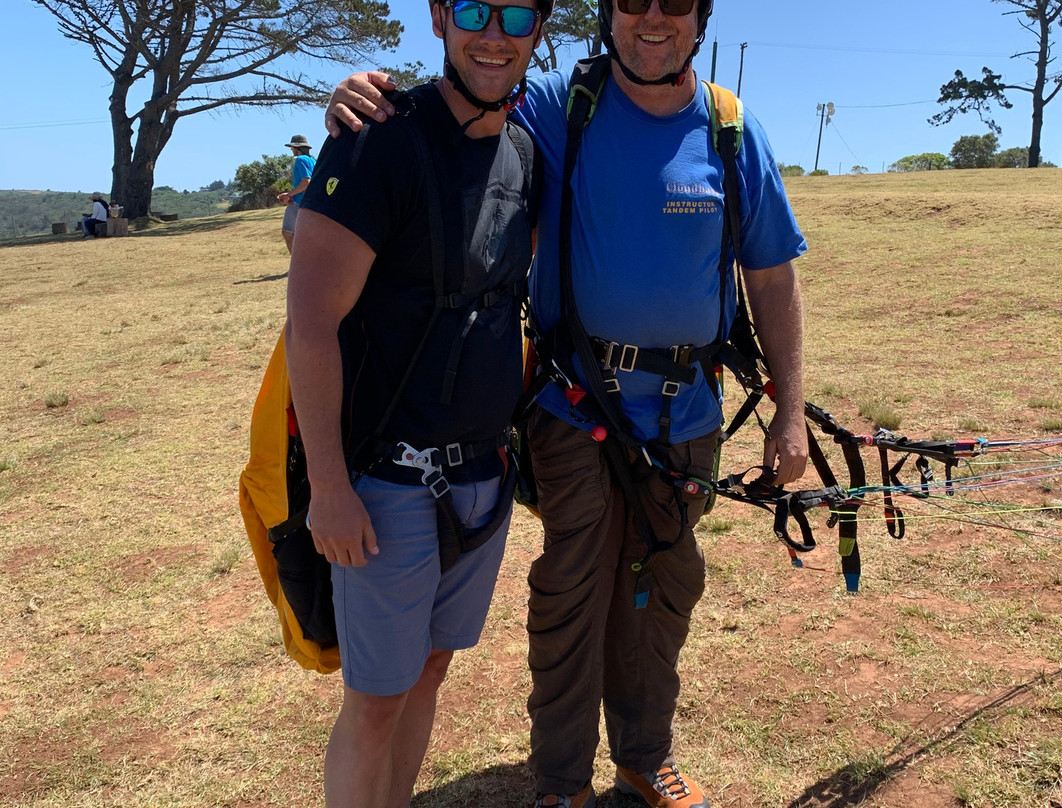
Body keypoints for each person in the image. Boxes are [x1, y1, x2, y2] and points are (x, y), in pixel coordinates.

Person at [325, 0, 809, 803]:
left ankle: (645, 756)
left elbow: (771, 275)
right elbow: (461, 104)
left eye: (674, 3)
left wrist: (789, 412)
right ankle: (560, 782)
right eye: (631, 2)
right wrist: (365, 102)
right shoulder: (558, 105)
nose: (652, 19)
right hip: (576, 409)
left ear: (701, 18)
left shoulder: (730, 129)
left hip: (686, 417)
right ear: (607, 15)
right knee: (571, 591)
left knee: (663, 590)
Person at [284, 0, 549, 805]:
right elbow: (311, 326)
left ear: (539, 31)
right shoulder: (378, 139)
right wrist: (329, 488)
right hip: (386, 485)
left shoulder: (525, 152)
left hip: (482, 477)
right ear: (439, 18)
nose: (494, 34)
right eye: (473, 9)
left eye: (517, 15)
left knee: (431, 669)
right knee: (375, 702)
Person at [277, 134, 316, 253]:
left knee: (288, 232)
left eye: (292, 147)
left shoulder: (300, 160)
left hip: (299, 202)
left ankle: (296, 264)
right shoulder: (313, 160)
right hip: (310, 202)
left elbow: (306, 182)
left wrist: (290, 195)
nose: (291, 149)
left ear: (297, 148)